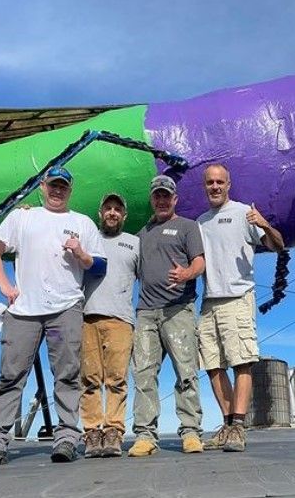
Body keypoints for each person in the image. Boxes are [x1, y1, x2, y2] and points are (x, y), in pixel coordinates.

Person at [0, 167, 106, 467]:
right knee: (11, 374)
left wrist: (82, 255)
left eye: (63, 186)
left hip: (64, 311)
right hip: (24, 314)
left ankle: (67, 438)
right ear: (42, 188)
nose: (57, 191)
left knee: (67, 373)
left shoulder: (81, 223)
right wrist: (5, 286)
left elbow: (99, 267)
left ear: (70, 190)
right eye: (53, 185)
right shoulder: (22, 217)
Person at [196, 164, 285, 452]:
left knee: (241, 362)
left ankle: (238, 426)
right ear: (204, 186)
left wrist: (265, 224)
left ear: (229, 184)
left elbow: (277, 245)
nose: (215, 187)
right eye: (210, 182)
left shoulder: (243, 212)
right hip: (209, 300)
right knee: (211, 365)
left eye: (220, 182)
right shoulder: (200, 221)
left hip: (237, 297)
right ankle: (226, 425)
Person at [128, 174, 206, 457]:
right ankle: (146, 435)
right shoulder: (141, 234)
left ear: (175, 199)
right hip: (146, 313)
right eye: (157, 195)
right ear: (152, 199)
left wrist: (186, 273)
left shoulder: (187, 227)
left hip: (178, 310)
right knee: (144, 374)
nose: (161, 200)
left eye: (166, 195)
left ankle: (191, 432)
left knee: (186, 372)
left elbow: (199, 261)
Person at [80, 193, 139, 458]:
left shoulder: (134, 243)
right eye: (108, 209)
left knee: (117, 380)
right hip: (87, 317)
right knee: (89, 380)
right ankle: (92, 432)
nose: (112, 213)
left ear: (124, 216)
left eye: (118, 209)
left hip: (121, 320)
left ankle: (114, 431)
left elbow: (151, 276)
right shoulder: (88, 239)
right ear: (100, 213)